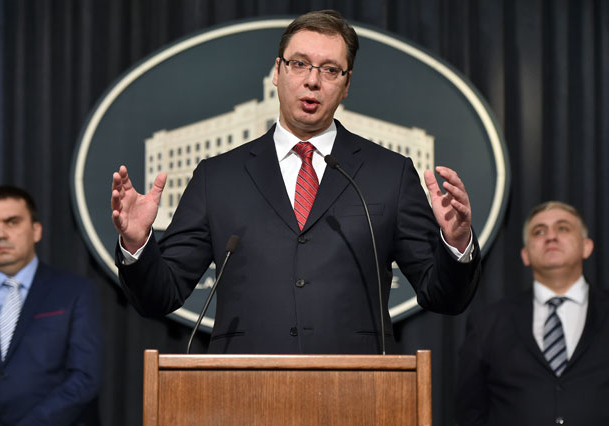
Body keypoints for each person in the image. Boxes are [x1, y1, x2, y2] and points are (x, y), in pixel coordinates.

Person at [111, 9, 481, 354]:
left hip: (360, 388)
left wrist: (456, 243)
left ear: (347, 84)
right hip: (243, 389)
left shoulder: (390, 173)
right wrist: (137, 243)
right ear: (277, 71)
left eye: (331, 70)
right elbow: (161, 295)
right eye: (299, 64)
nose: (312, 80)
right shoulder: (218, 176)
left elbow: (443, 298)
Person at [455, 201, 609, 425]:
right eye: (539, 231)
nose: (551, 237)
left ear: (587, 246)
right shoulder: (488, 322)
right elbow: (470, 411)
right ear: (525, 255)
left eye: (563, 228)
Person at [0, 185, 103, 426]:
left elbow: (84, 378)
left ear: (36, 230)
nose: (0, 234)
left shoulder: (74, 292)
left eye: (12, 222)